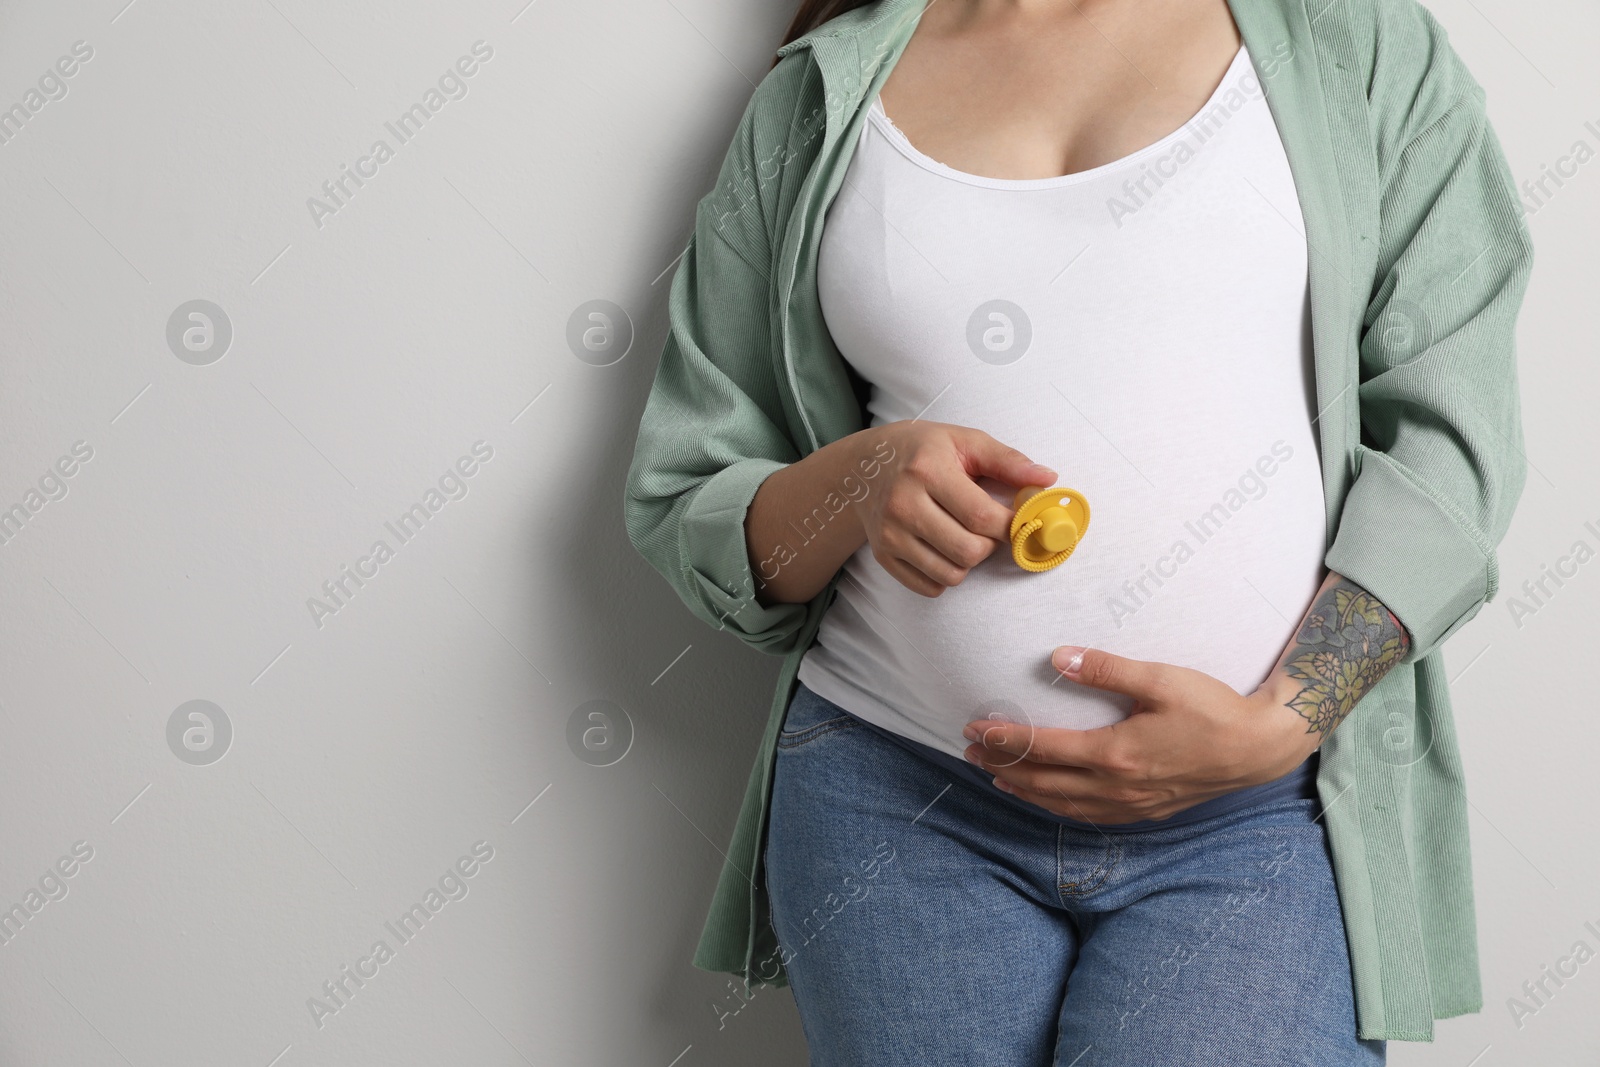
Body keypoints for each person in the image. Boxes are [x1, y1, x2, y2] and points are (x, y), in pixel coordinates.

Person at [623, 0, 1533, 1062]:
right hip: (893, 796)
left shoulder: (1353, 42)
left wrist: (1280, 723)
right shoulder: (817, 95)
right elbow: (688, 493)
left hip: (1257, 815)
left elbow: (1450, 436)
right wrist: (861, 477)